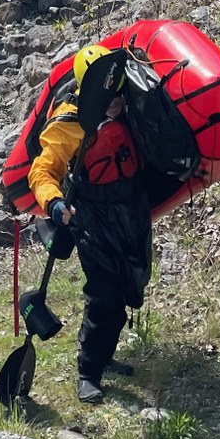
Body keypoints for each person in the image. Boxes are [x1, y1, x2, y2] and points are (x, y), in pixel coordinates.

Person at [26, 43, 151, 404]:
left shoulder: (134, 105)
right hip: (93, 216)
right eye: (106, 97)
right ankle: (88, 371)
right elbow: (42, 171)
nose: (114, 102)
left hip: (131, 210)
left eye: (118, 94)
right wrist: (55, 203)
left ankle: (105, 354)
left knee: (129, 285)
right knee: (104, 294)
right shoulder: (69, 123)